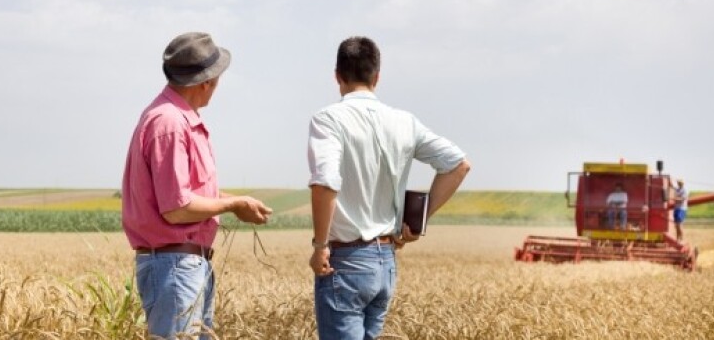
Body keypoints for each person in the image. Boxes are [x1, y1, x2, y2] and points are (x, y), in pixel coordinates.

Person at [307, 36, 471, 340]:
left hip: (346, 262)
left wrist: (319, 247)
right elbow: (458, 164)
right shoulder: (404, 122)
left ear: (337, 76)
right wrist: (416, 223)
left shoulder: (328, 120)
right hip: (386, 263)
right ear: (377, 77)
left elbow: (325, 183)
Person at [121, 32, 273, 338]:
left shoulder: (173, 118)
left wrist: (237, 202)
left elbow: (188, 193)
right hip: (175, 266)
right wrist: (233, 204)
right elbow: (177, 209)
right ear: (207, 81)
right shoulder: (171, 123)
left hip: (181, 265)